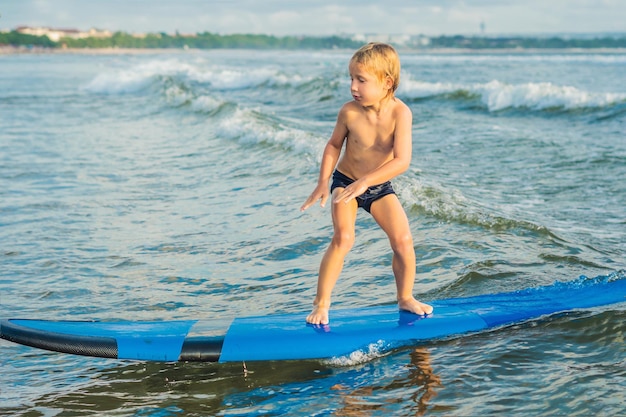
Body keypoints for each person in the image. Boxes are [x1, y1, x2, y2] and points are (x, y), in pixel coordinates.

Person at [300, 42, 433, 325]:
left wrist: (367, 182)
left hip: (377, 185)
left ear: (387, 83)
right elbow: (334, 145)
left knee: (403, 241)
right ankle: (321, 304)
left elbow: (401, 161)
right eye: (351, 78)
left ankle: (406, 297)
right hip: (346, 182)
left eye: (361, 80)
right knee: (344, 238)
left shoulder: (401, 114)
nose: (353, 87)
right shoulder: (349, 112)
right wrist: (323, 181)